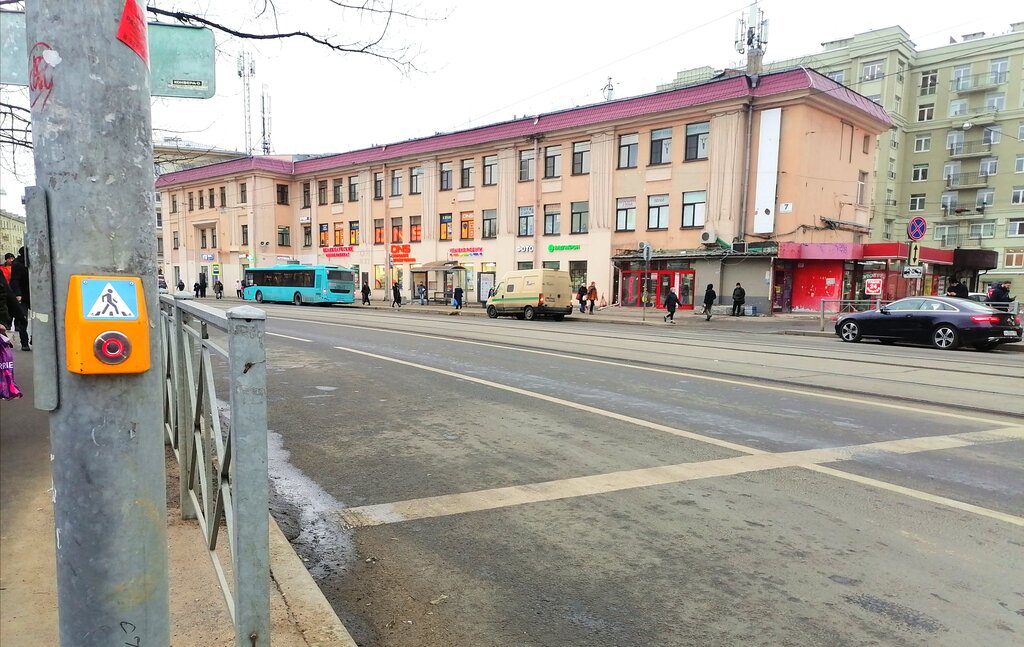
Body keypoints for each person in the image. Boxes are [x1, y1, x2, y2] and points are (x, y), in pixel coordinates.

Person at [9, 247, 31, 350]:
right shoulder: (18, 264)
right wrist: (18, 294)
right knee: (23, 319)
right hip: (23, 295)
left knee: (39, 319)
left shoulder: (34, 262)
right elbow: (14, 280)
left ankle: (33, 339)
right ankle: (24, 343)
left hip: (34, 295)